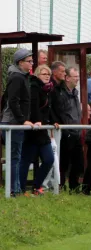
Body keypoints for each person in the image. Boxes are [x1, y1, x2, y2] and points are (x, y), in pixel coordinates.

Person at [19, 65, 56, 195]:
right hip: (33, 130)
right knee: (25, 161)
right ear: (37, 75)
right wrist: (37, 120)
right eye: (44, 74)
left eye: (48, 74)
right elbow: (33, 106)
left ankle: (36, 186)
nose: (47, 76)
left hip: (42, 130)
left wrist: (54, 121)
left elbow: (48, 108)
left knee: (49, 159)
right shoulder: (34, 86)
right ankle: (21, 188)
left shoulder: (47, 89)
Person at [1, 49, 34, 196]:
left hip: (14, 122)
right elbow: (12, 101)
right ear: (20, 62)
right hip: (12, 123)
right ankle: (14, 190)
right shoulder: (17, 77)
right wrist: (22, 120)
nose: (32, 63)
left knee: (16, 156)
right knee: (15, 157)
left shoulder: (22, 76)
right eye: (29, 61)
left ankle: (16, 189)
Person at [50, 66, 84, 192]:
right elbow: (61, 112)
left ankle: (74, 187)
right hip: (66, 131)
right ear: (67, 78)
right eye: (75, 77)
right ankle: (61, 185)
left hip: (76, 131)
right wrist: (65, 127)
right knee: (63, 161)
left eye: (78, 77)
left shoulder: (75, 92)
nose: (77, 79)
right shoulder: (59, 92)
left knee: (77, 161)